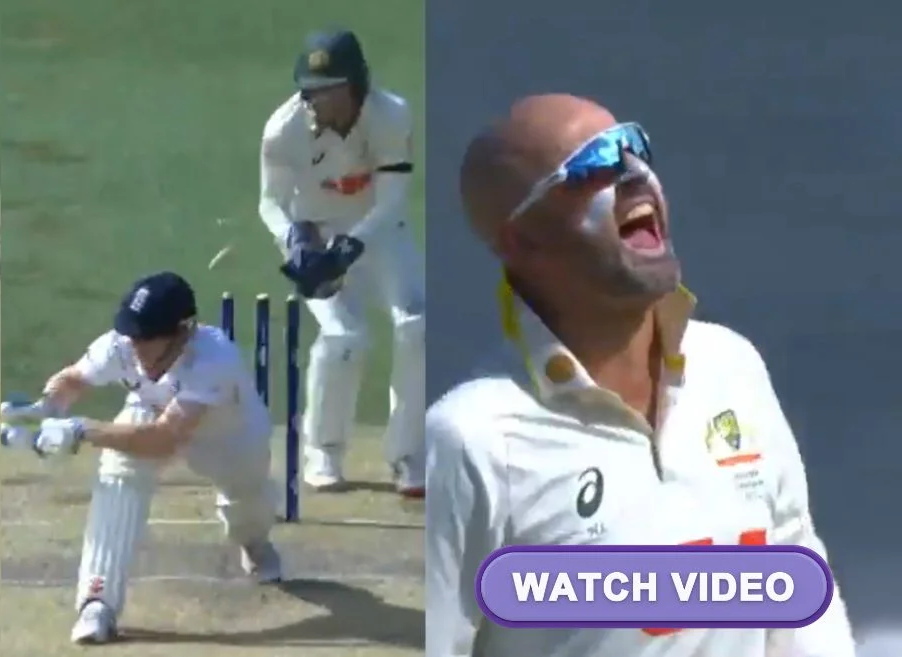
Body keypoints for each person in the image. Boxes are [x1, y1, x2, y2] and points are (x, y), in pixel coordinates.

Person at [424, 93, 856, 656]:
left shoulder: (731, 366)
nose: (633, 173)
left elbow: (794, 564)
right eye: (592, 166)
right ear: (522, 240)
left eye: (634, 146)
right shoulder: (473, 441)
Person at [0, 271, 283, 645]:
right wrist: (46, 405)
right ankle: (97, 602)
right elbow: (74, 379)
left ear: (183, 331)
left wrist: (82, 430)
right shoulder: (122, 344)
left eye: (148, 338)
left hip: (229, 439)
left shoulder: (214, 359)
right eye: (133, 336)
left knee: (247, 507)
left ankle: (254, 541)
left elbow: (163, 439)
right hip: (152, 412)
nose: (137, 348)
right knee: (118, 471)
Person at [258, 28, 426, 497]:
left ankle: (409, 455)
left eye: (328, 89)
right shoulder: (283, 129)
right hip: (314, 230)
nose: (315, 99)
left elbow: (391, 198)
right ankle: (324, 453)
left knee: (419, 326)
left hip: (379, 230)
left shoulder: (392, 115)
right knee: (343, 337)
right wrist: (295, 242)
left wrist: (352, 246)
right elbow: (270, 203)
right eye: (308, 89)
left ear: (356, 86)